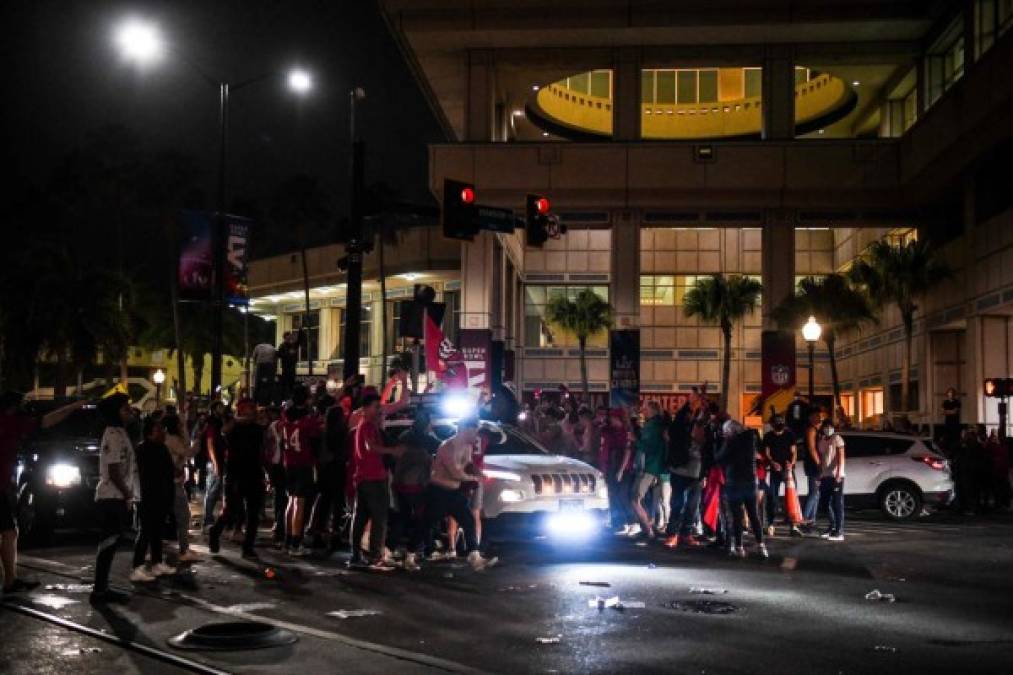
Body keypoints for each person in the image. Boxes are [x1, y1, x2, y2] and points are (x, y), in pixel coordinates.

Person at [1, 393, 84, 594]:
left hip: (3, 486)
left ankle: (11, 579)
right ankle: (10, 580)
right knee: (9, 533)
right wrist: (72, 407)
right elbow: (46, 421)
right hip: (0, 486)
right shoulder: (11, 422)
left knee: (9, 532)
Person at [425, 417, 497, 571]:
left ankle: (474, 555)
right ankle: (411, 553)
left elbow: (468, 463)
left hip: (454, 492)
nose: (476, 436)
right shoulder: (448, 446)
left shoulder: (467, 446)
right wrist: (474, 478)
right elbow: (455, 472)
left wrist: (478, 472)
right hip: (439, 491)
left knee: (468, 521)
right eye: (474, 431)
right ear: (465, 429)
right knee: (426, 523)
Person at [92, 393, 141, 602]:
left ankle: (102, 588)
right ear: (116, 412)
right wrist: (128, 494)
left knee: (111, 544)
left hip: (117, 496)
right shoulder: (112, 434)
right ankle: (100, 590)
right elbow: (113, 470)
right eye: (125, 408)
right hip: (112, 496)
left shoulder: (121, 432)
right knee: (108, 544)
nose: (129, 410)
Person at [348, 392, 403, 570]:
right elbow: (371, 447)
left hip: (363, 478)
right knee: (379, 518)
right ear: (365, 408)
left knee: (360, 519)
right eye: (376, 407)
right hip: (373, 478)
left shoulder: (364, 425)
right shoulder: (367, 426)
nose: (379, 410)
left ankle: (356, 555)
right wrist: (391, 451)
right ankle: (375, 557)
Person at [210, 399, 266, 559]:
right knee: (231, 510)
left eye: (252, 411)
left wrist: (264, 474)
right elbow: (223, 431)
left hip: (254, 473)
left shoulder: (257, 429)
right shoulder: (233, 427)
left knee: (253, 513)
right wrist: (236, 420)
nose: (250, 415)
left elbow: (261, 452)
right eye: (246, 412)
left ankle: (248, 547)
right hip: (235, 474)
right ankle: (215, 531)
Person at [391, 410, 438, 570]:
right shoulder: (427, 440)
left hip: (400, 483)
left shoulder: (404, 436)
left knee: (402, 517)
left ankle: (389, 549)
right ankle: (413, 552)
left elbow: (394, 457)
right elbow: (442, 447)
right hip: (416, 485)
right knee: (421, 519)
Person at [715, 419, 768, 559]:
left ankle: (739, 546)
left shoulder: (731, 442)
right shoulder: (750, 439)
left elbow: (719, 458)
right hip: (750, 482)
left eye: (726, 432)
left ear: (731, 432)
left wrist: (722, 443)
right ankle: (761, 545)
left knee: (737, 517)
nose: (724, 434)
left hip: (734, 482)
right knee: (754, 515)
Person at [132, 417, 176, 580]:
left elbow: (169, 472)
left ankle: (157, 563)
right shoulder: (143, 450)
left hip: (161, 497)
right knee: (145, 531)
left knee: (158, 531)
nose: (163, 433)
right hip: (147, 497)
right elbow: (143, 477)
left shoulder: (162, 448)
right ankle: (137, 566)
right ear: (149, 433)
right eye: (158, 430)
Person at [281, 385, 323, 555]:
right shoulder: (308, 420)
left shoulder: (285, 416)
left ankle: (287, 540)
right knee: (300, 503)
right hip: (303, 463)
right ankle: (296, 544)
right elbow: (315, 441)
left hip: (288, 462)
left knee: (290, 501)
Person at [163, 413, 201, 563]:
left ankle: (182, 548)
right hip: (172, 482)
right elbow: (188, 452)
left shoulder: (173, 438)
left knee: (176, 516)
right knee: (183, 515)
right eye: (180, 424)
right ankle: (183, 550)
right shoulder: (172, 440)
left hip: (173, 481)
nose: (182, 426)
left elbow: (185, 445)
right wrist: (198, 440)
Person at [664, 419, 705, 549]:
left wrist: (704, 476)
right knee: (677, 504)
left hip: (696, 476)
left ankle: (686, 534)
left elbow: (707, 460)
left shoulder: (705, 443)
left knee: (693, 506)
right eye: (697, 429)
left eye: (702, 430)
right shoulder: (682, 439)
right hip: (679, 473)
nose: (700, 433)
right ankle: (672, 534)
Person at [629, 400, 666, 540]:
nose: (642, 411)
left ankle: (648, 530)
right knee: (645, 499)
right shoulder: (655, 425)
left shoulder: (653, 426)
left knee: (635, 499)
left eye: (645, 408)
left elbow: (649, 447)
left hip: (648, 467)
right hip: (653, 467)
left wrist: (635, 440)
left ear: (652, 410)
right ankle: (648, 525)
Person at [763, 415, 802, 537]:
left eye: (780, 422)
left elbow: (794, 451)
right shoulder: (768, 436)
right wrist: (772, 462)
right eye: (776, 423)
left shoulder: (789, 435)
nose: (778, 425)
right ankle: (770, 525)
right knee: (772, 498)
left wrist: (791, 463)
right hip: (775, 471)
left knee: (792, 497)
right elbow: (767, 452)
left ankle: (794, 526)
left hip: (788, 470)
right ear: (772, 424)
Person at [601, 409, 634, 535]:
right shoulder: (611, 431)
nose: (611, 420)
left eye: (613, 418)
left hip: (622, 468)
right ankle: (619, 522)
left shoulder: (625, 432)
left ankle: (631, 522)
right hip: (613, 467)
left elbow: (627, 451)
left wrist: (620, 470)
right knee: (613, 495)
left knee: (622, 495)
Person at [816, 418, 846, 541]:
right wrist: (820, 474)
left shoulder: (837, 439)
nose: (828, 429)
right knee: (824, 502)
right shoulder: (822, 441)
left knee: (837, 503)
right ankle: (832, 526)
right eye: (826, 427)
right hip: (825, 476)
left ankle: (839, 531)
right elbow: (822, 458)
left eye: (830, 427)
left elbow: (841, 456)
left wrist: (839, 473)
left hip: (836, 476)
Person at [201, 401, 227, 533]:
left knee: (217, 491)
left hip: (220, 460)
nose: (223, 409)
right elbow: (210, 443)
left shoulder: (218, 422)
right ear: (215, 408)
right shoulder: (212, 423)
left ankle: (213, 520)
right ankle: (207, 521)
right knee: (212, 491)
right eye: (220, 407)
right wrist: (215, 463)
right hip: (214, 462)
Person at [263, 406, 287, 545]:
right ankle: (280, 524)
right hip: (283, 464)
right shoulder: (283, 425)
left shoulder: (272, 426)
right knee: (283, 495)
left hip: (275, 463)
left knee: (279, 495)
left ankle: (278, 523)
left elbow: (267, 446)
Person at [801, 410, 822, 528]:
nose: (819, 418)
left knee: (816, 493)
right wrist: (819, 463)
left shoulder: (816, 430)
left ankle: (811, 519)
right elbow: (811, 448)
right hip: (813, 464)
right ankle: (805, 517)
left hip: (815, 463)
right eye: (817, 416)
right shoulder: (811, 430)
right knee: (814, 492)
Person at [277, 332, 299, 402]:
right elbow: (279, 354)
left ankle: (291, 398)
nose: (290, 338)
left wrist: (294, 359)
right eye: (288, 336)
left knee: (292, 383)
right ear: (285, 337)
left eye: (290, 336)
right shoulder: (282, 346)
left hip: (292, 367)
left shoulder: (292, 346)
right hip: (286, 367)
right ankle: (284, 399)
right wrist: (288, 354)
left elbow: (295, 356)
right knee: (285, 383)